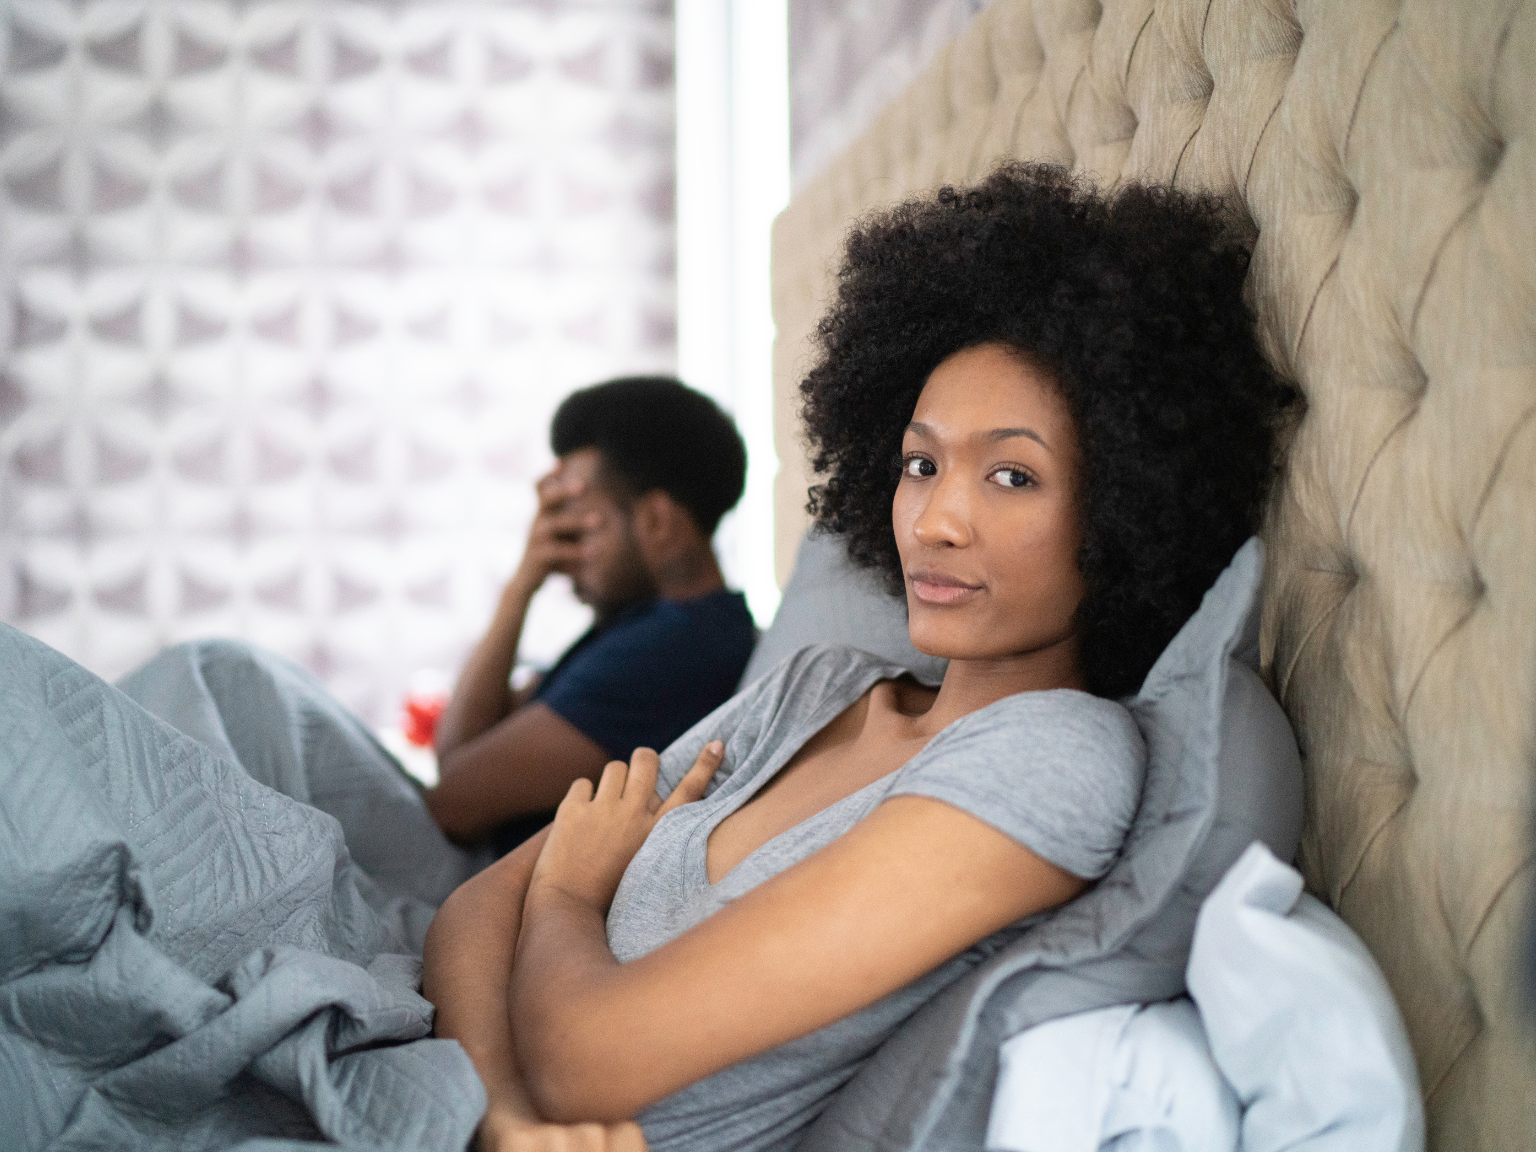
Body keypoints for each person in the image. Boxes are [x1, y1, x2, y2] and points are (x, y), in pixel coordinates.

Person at [423, 163, 1295, 1152]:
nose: (938, 520)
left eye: (1012, 476)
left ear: (1126, 512)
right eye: (921, 464)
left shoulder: (1055, 759)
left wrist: (571, 895)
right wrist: (501, 1118)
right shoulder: (819, 683)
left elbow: (595, 1059)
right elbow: (469, 910)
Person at [424, 376, 758, 849]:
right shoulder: (651, 628)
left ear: (657, 522)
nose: (559, 552)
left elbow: (452, 802)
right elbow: (466, 747)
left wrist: (520, 588)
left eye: (578, 527)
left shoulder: (670, 649)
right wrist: (522, 586)